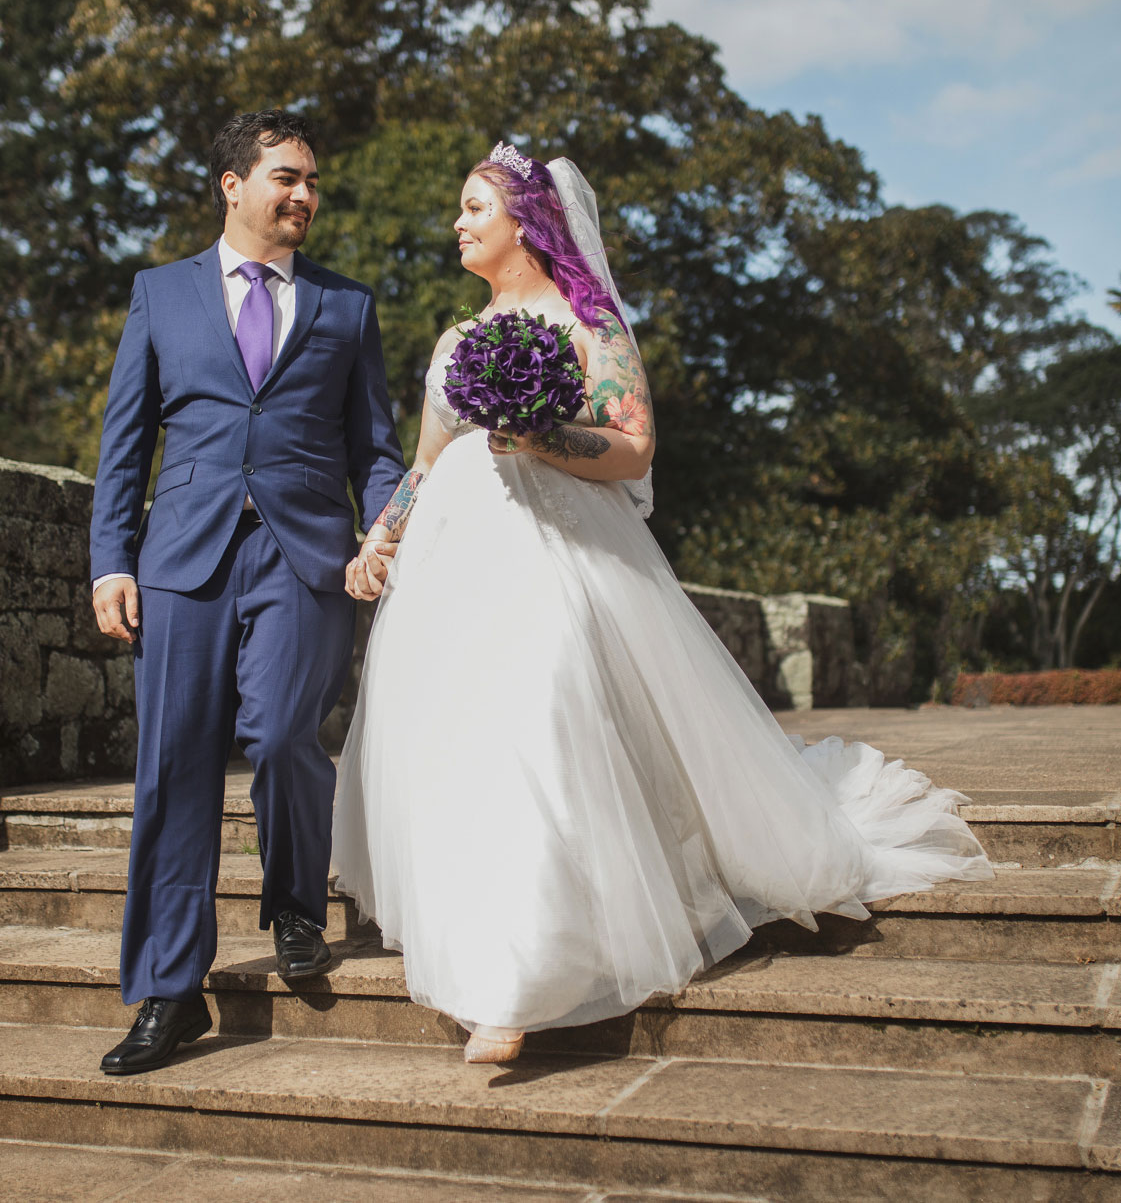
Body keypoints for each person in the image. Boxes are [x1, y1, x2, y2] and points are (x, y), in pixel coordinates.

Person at [331, 143, 993, 1064]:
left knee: (547, 718)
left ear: (525, 221)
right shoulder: (453, 343)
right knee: (466, 745)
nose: (458, 221)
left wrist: (541, 433)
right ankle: (486, 935)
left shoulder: (586, 320)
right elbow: (430, 461)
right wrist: (380, 537)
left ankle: (520, 981)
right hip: (454, 569)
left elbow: (635, 447)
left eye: (474, 205)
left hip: (554, 553)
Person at [88, 110, 406, 1075]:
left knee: (279, 735)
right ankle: (168, 991)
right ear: (232, 183)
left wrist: (383, 532)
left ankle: (298, 898)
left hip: (306, 557)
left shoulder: (347, 308)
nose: (305, 194)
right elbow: (124, 444)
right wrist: (111, 557)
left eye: (313, 179)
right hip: (180, 560)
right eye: (287, 176)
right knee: (173, 765)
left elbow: (380, 451)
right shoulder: (158, 294)